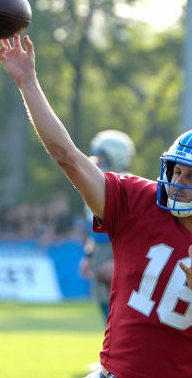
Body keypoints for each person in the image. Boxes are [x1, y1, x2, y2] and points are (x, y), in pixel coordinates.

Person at [0, 35, 192, 378]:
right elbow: (67, 156)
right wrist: (27, 82)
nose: (178, 181)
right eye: (176, 170)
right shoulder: (137, 202)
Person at [79, 129, 136, 321]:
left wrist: (117, 258)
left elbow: (131, 228)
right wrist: (89, 255)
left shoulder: (127, 184)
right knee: (104, 304)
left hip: (118, 250)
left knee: (120, 306)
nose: (97, 161)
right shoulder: (98, 183)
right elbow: (94, 227)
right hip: (101, 250)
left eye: (102, 156)